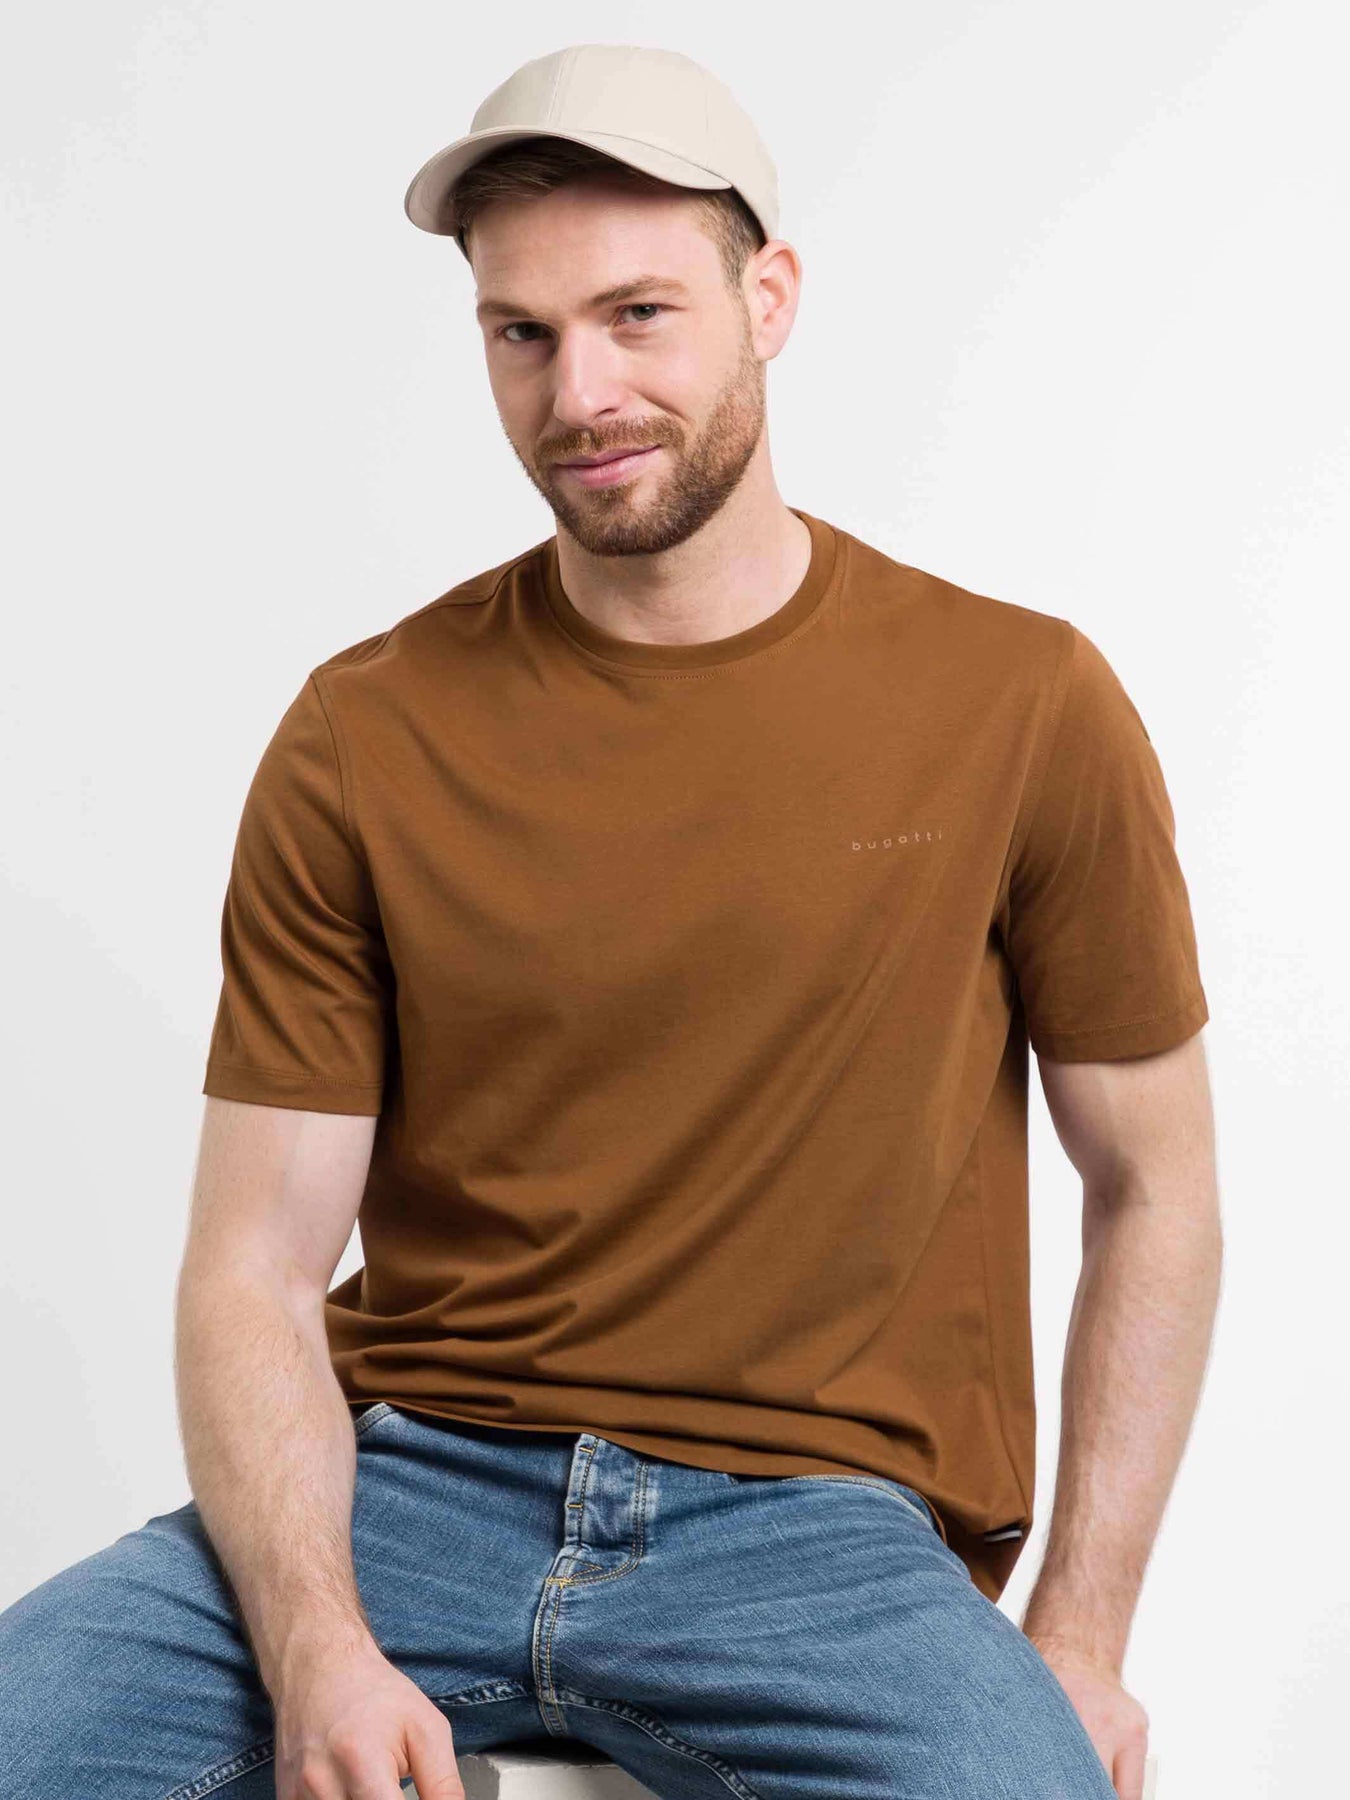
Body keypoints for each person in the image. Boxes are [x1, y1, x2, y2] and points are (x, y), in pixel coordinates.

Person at [0, 41, 1218, 1800]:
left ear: (766, 299)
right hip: (405, 1485)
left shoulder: (1021, 704)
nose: (579, 391)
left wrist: (1083, 1638)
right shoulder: (365, 731)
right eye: (522, 332)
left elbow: (1156, 1183)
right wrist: (321, 1647)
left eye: (637, 314)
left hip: (815, 1537)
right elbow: (253, 1265)